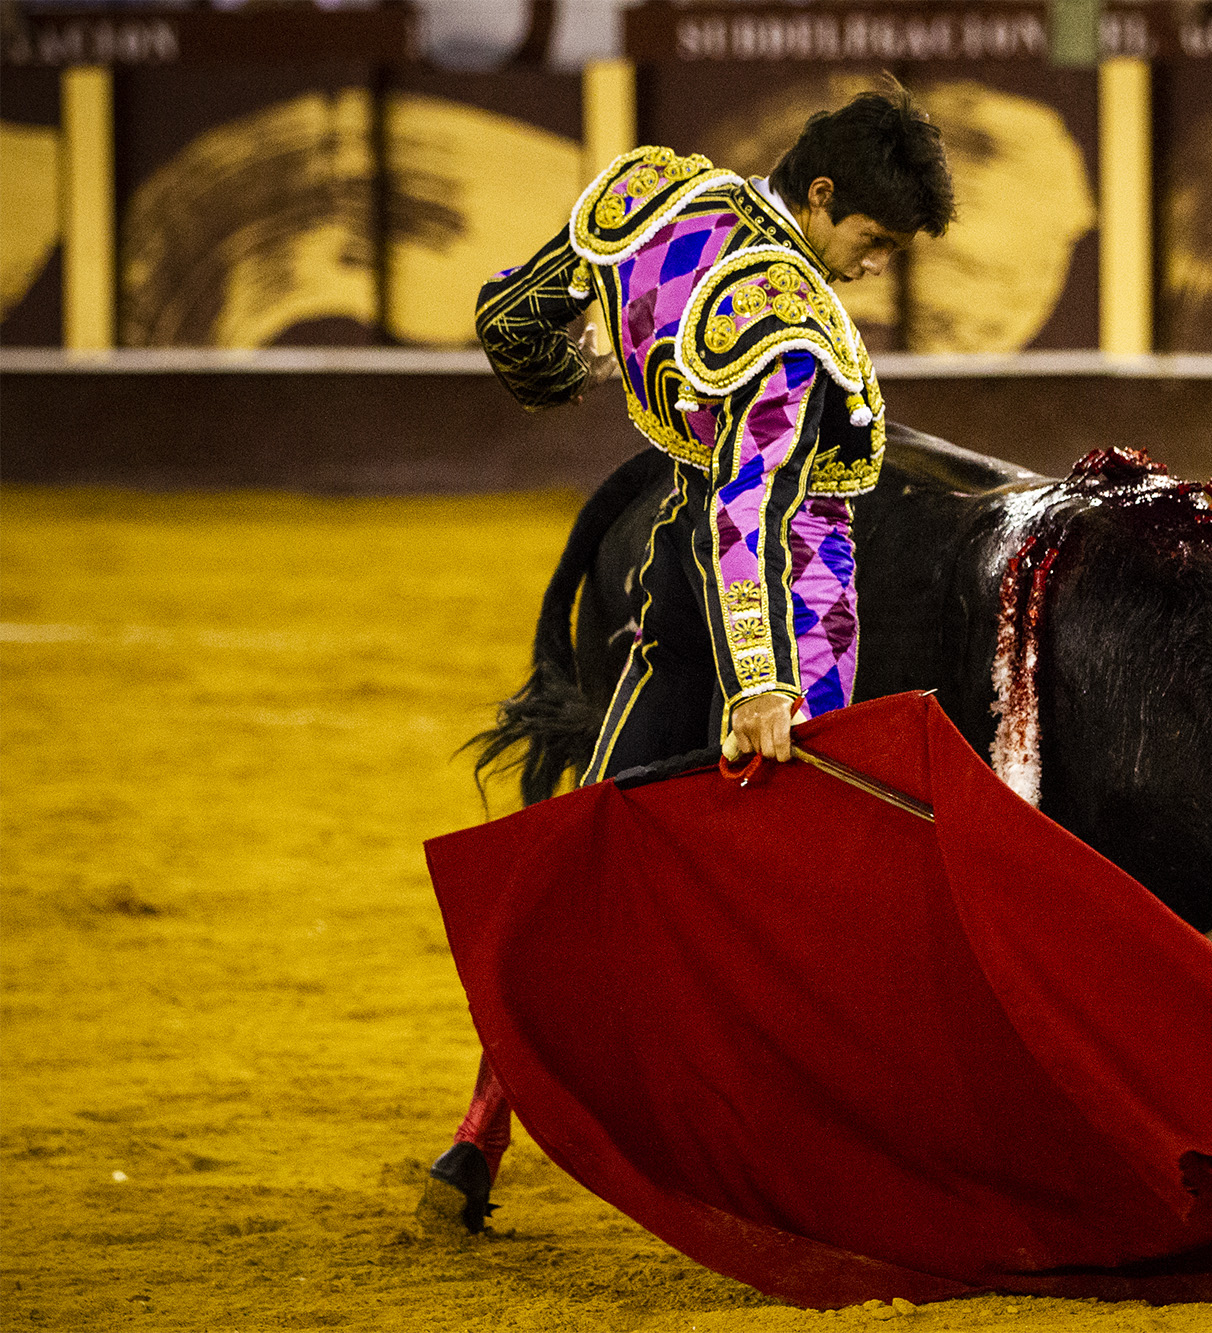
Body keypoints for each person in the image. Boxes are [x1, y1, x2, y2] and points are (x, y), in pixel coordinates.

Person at [420, 86, 956, 1235]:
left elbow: (515, 321)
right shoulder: (794, 328)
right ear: (821, 197)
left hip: (667, 566)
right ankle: (801, 1159)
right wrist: (763, 680)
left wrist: (567, 369)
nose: (866, 272)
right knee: (805, 889)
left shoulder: (649, 192)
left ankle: (476, 1133)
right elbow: (755, 510)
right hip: (790, 609)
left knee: (593, 841)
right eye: (867, 242)